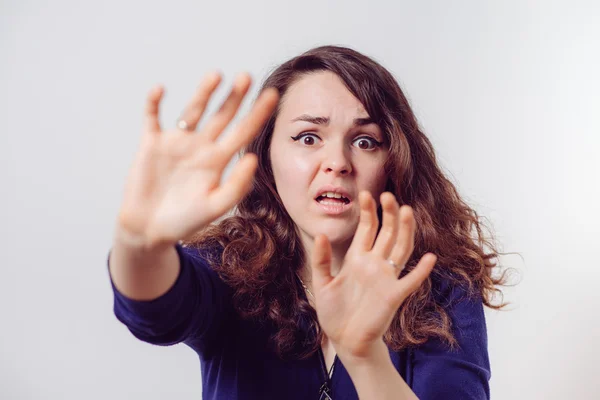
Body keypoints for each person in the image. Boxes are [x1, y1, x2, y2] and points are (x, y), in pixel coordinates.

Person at [107, 45, 505, 399]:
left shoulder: (441, 286)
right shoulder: (228, 266)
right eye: (308, 137)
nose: (337, 162)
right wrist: (140, 242)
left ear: (394, 162)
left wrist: (365, 358)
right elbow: (155, 309)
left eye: (365, 141)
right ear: (267, 158)